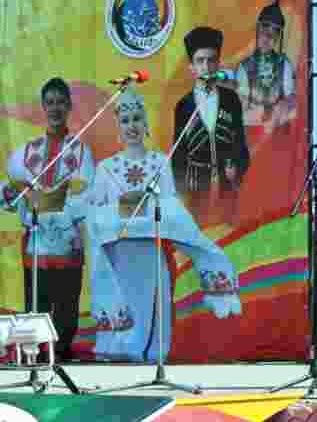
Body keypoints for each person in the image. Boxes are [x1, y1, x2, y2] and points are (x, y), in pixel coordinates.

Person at [86, 89, 241, 361]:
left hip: (151, 256)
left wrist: (142, 209)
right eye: (125, 121)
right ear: (118, 126)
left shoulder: (160, 163)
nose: (131, 126)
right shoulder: (105, 169)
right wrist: (124, 210)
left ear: (145, 123)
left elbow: (172, 213)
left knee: (153, 327)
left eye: (137, 119)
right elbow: (94, 217)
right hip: (119, 259)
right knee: (124, 326)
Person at [1, 77, 94, 361]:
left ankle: (61, 358)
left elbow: (86, 196)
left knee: (66, 310)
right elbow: (12, 195)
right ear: (43, 106)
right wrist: (14, 195)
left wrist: (56, 209)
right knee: (35, 308)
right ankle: (34, 362)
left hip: (67, 244)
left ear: (69, 106)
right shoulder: (25, 153)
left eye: (60, 102)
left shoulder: (81, 152)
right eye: (50, 102)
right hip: (36, 246)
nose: (55, 108)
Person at [171, 26, 250, 228]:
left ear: (218, 63)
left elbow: (240, 143)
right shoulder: (183, 106)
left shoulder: (231, 100)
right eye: (200, 61)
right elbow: (178, 154)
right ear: (192, 67)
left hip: (227, 186)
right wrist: (181, 192)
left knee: (228, 236)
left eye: (211, 60)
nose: (206, 66)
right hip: (196, 189)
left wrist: (237, 168)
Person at [235, 0, 297, 140]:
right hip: (251, 134)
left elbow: (291, 100)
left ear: (278, 37)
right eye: (265, 31)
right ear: (258, 31)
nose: (268, 38)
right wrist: (262, 111)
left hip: (278, 135)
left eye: (273, 33)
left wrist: (280, 108)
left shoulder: (285, 65)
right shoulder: (244, 67)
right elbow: (240, 104)